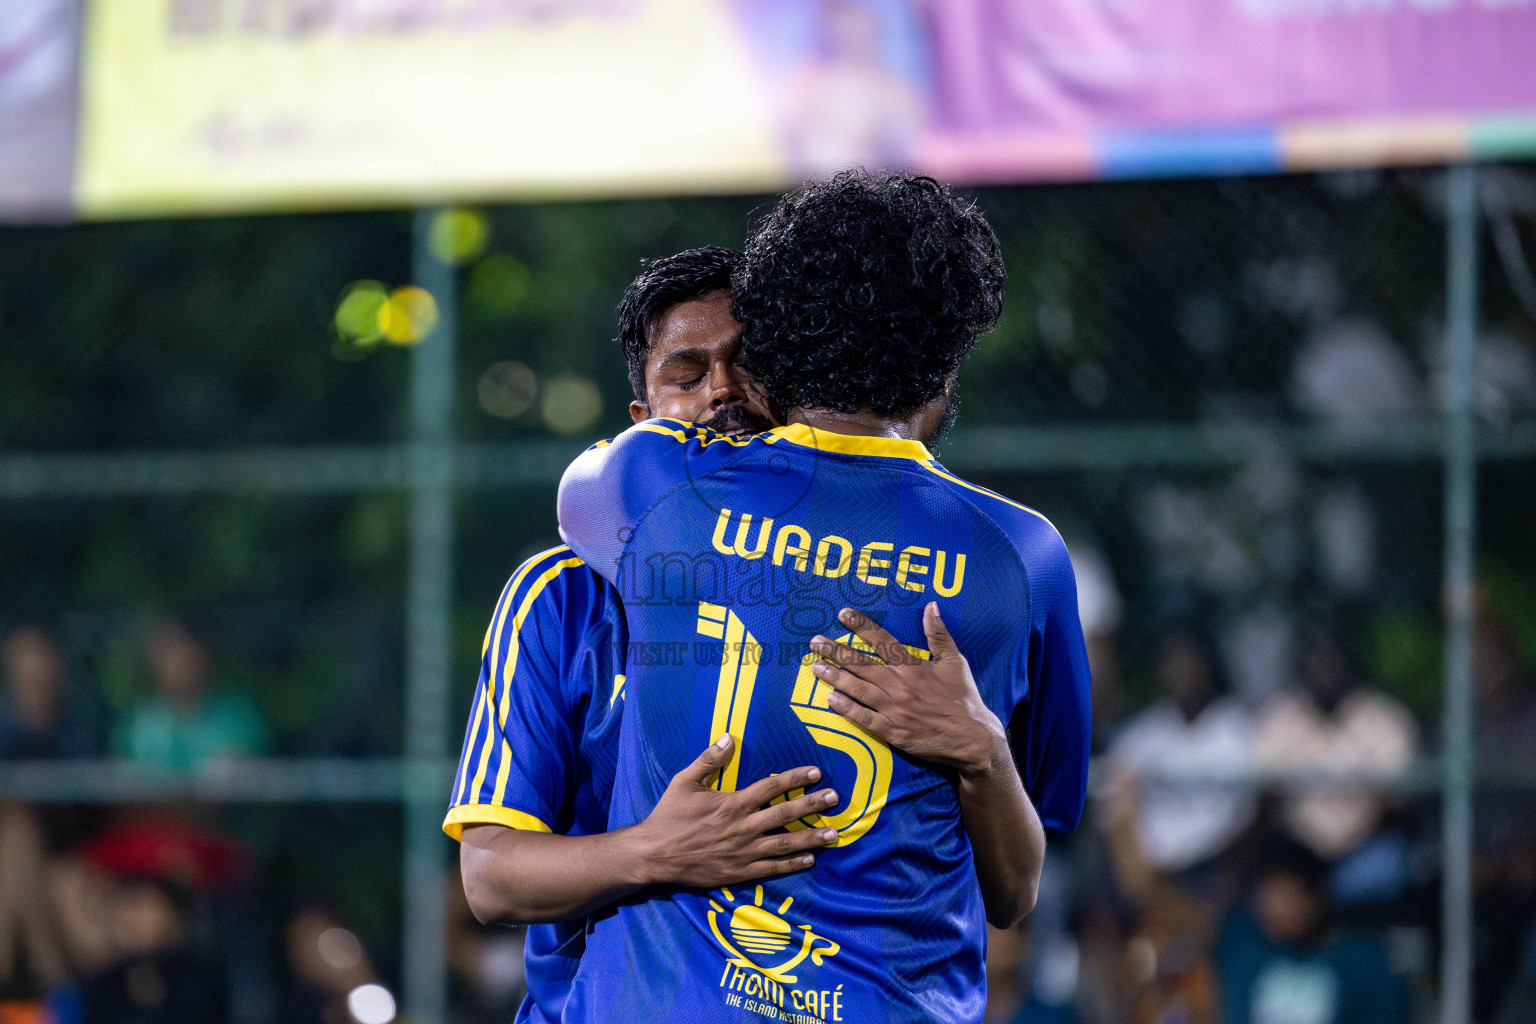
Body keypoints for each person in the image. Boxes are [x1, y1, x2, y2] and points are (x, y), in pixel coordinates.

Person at [449, 246, 1042, 1023]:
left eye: (747, 363)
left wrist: (983, 750)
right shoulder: (560, 599)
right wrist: (654, 851)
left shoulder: (900, 588)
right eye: (687, 375)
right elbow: (491, 877)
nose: (722, 389)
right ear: (640, 424)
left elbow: (1012, 891)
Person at [556, 171, 1090, 1022]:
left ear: (777, 342)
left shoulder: (646, 483)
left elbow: (591, 487)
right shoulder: (1024, 556)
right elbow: (1016, 892)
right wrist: (981, 751)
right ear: (943, 367)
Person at [1106, 629, 1256, 880]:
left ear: (1207, 665)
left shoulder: (1239, 730)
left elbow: (1251, 818)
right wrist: (1144, 882)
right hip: (1149, 873)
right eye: (1170, 660)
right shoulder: (1138, 738)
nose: (1178, 670)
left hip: (1220, 869)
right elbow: (1115, 817)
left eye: (1187, 660)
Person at [1214, 836, 1407, 1024]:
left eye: (1291, 896)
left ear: (1319, 896)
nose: (1279, 910)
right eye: (1269, 896)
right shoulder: (1239, 939)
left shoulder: (1366, 960)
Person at [113, 620, 268, 773]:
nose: (185, 669)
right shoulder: (140, 717)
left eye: (191, 659)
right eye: (177, 660)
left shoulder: (238, 712)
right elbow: (120, 776)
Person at [0, 624, 105, 760]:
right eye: (30, 682)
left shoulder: (86, 730)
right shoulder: (4, 737)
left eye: (43, 681)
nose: (38, 693)